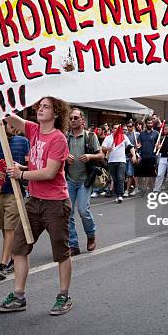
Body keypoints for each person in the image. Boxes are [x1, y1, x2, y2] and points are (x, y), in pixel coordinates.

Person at [0, 96, 73, 316]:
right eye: (40, 106)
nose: (40, 109)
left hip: (55, 204)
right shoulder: (34, 130)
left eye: (46, 106)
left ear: (56, 113)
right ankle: (18, 296)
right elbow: (12, 118)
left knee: (61, 252)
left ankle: (63, 296)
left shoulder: (58, 139)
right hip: (34, 201)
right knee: (18, 248)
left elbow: (49, 173)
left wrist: (21, 173)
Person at [0, 121, 30, 279]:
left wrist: (19, 168)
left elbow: (30, 164)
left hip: (15, 191)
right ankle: (11, 258)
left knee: (10, 227)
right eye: (11, 124)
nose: (15, 127)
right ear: (1, 125)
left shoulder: (23, 142)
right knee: (4, 227)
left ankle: (3, 264)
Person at [65, 108, 104, 256]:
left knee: (83, 210)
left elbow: (101, 155)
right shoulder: (65, 137)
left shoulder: (90, 136)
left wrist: (89, 156)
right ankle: (73, 244)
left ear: (83, 120)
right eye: (71, 118)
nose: (73, 120)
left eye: (76, 118)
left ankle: (91, 234)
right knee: (68, 212)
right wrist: (64, 157)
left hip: (85, 181)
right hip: (69, 180)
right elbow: (58, 154)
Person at [102, 124, 136, 203]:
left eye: (117, 128)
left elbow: (130, 146)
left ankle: (120, 195)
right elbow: (103, 147)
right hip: (111, 161)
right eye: (114, 128)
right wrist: (108, 148)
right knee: (115, 179)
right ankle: (117, 194)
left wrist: (134, 155)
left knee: (120, 177)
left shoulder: (123, 136)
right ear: (112, 129)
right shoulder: (108, 138)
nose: (116, 130)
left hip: (121, 161)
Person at [136, 117, 159, 195]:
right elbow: (139, 145)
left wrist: (158, 146)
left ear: (153, 124)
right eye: (148, 123)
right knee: (145, 174)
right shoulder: (141, 134)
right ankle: (151, 187)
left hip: (152, 156)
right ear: (146, 124)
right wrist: (138, 150)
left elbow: (158, 145)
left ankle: (144, 189)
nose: (150, 124)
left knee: (149, 173)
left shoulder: (156, 133)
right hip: (143, 156)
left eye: (151, 123)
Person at [153, 123, 168, 193]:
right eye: (164, 129)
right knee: (160, 174)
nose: (164, 131)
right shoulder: (162, 138)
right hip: (163, 158)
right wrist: (157, 147)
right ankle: (156, 189)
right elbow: (158, 149)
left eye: (166, 129)